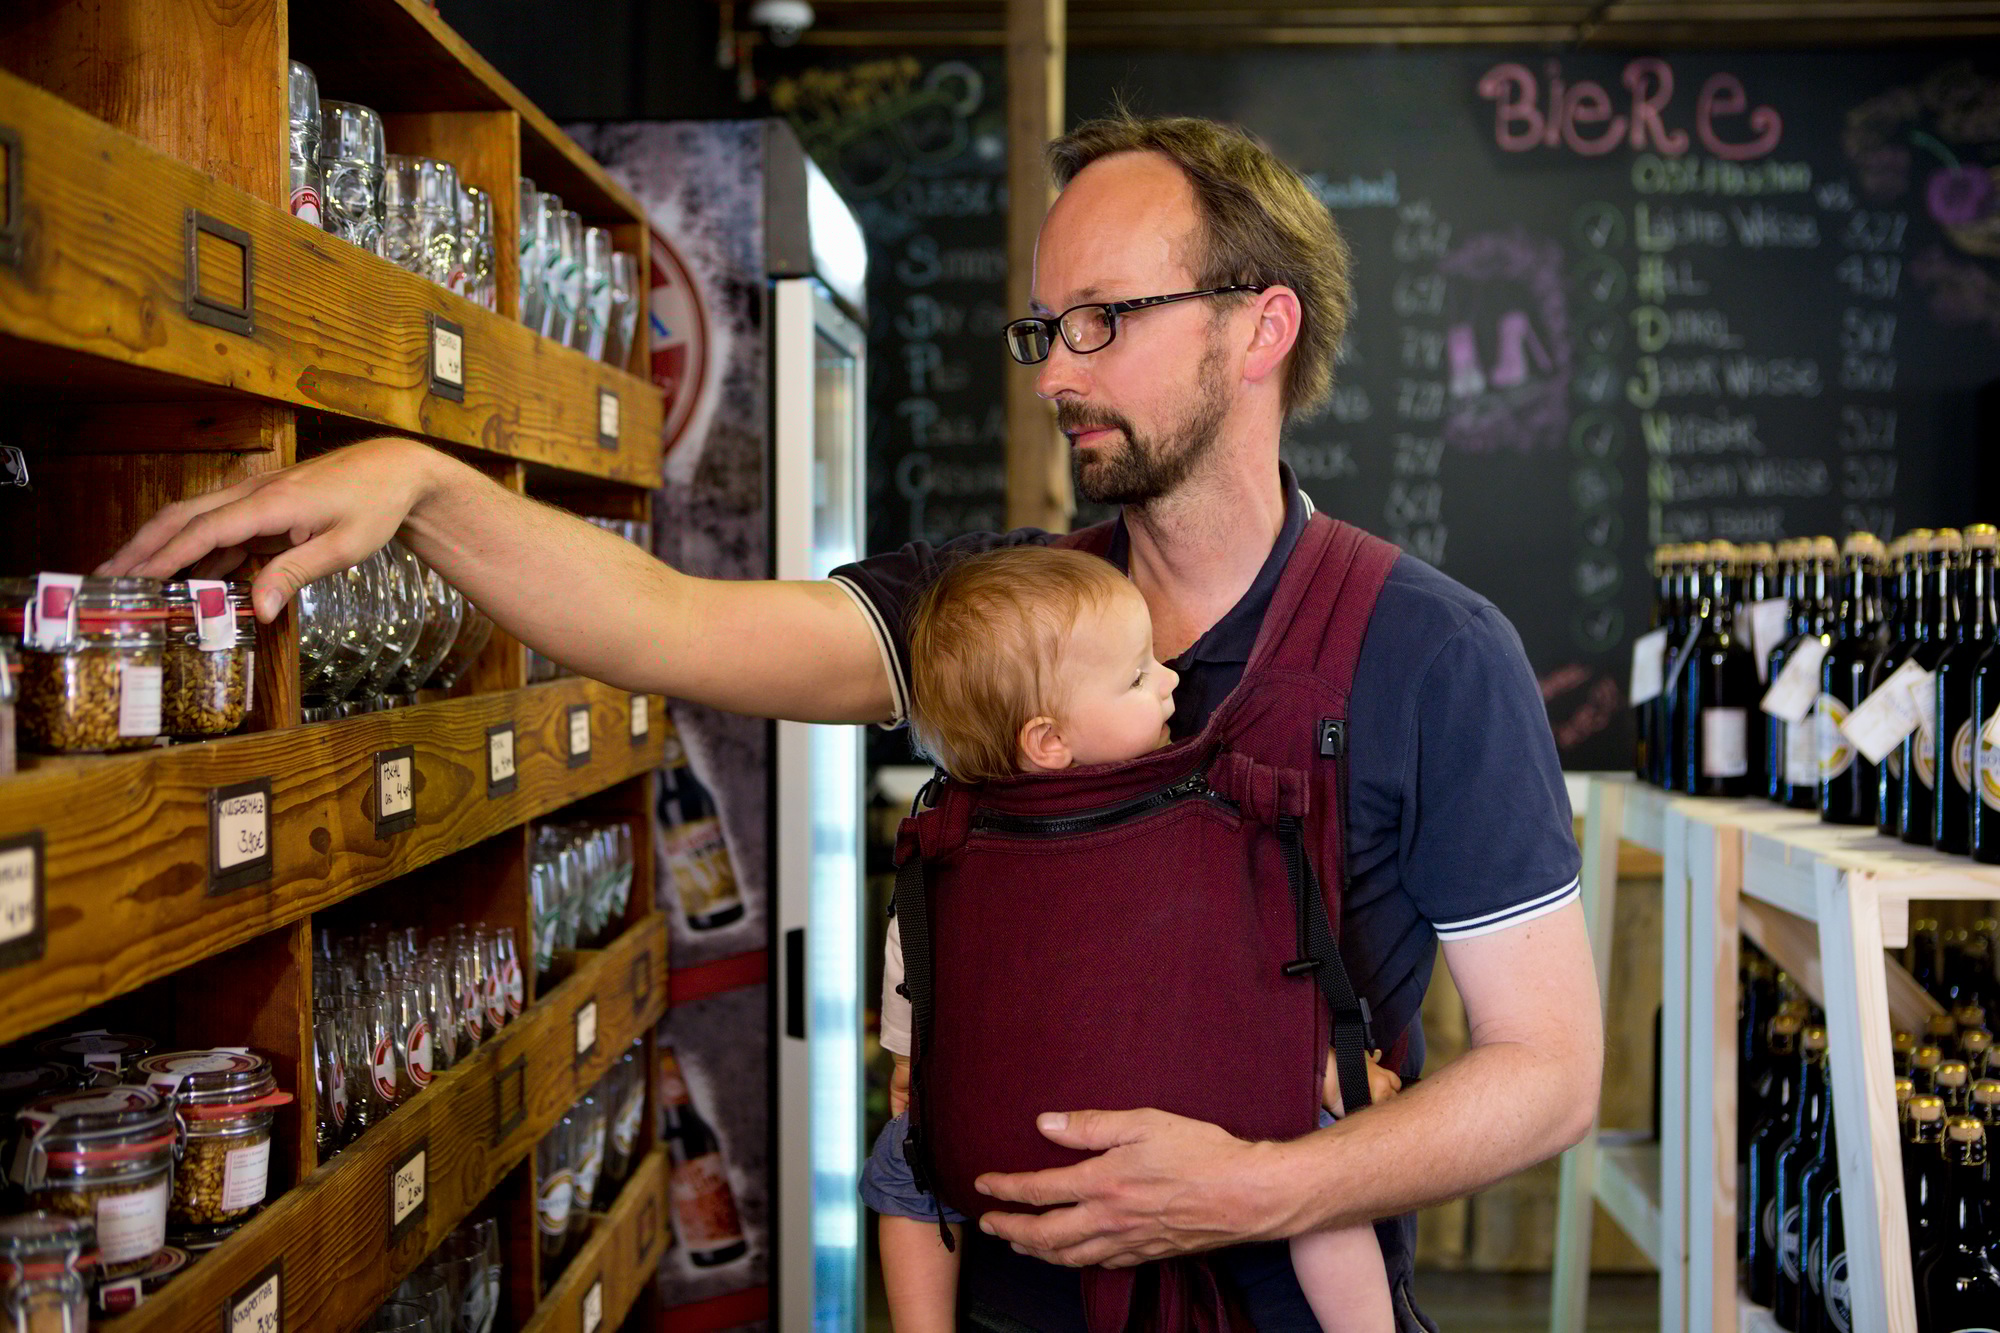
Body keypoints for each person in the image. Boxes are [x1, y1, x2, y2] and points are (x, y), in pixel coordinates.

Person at [102, 112, 1602, 1329]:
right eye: (1045, 331)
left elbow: (1548, 1071)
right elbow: (671, 624)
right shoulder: (998, 618)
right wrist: (424, 489)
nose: (1057, 376)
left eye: (1102, 323)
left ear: (1259, 327)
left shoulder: (1434, 656)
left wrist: (1252, 1190)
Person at [865, 544, 1404, 1333]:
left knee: (902, 1173)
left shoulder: (949, 843)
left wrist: (913, 1067)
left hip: (1005, 1142)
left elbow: (918, 982)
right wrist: (1327, 1071)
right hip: (1194, 1121)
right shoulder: (1185, 830)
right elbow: (1248, 986)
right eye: (1138, 675)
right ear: (1048, 739)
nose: (1171, 680)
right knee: (1320, 1176)